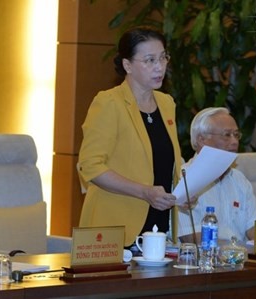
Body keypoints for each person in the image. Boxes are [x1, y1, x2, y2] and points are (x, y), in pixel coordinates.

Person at [77, 26, 182, 248]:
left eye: (163, 58)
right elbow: (90, 166)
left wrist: (182, 192)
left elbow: (166, 162)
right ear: (127, 65)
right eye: (149, 60)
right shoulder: (109, 103)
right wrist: (145, 192)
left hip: (158, 229)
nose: (159, 67)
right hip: (114, 229)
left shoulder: (166, 103)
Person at [178, 107, 256, 243]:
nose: (235, 142)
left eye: (236, 135)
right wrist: (236, 252)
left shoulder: (239, 179)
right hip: (203, 261)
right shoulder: (183, 178)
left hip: (239, 259)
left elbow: (255, 229)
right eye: (227, 135)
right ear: (201, 139)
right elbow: (192, 238)